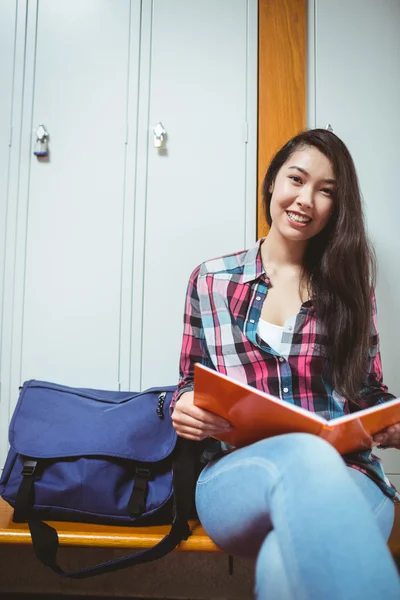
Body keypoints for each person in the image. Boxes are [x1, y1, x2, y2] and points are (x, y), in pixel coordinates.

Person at [171, 129, 400, 599]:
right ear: (273, 181)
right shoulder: (211, 280)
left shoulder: (352, 293)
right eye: (296, 179)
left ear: (338, 207)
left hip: (349, 475)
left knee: (283, 561)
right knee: (306, 456)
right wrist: (185, 405)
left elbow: (370, 392)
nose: (306, 200)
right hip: (237, 477)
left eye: (326, 192)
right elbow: (187, 381)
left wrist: (393, 420)